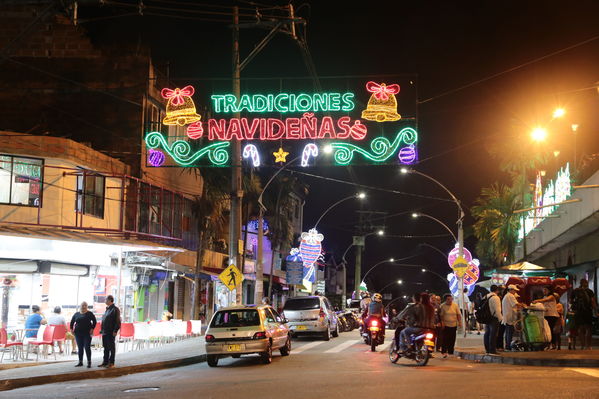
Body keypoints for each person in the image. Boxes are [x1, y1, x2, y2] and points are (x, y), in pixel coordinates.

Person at [70, 301, 97, 368]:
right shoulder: (76, 314)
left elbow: (94, 321)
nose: (84, 306)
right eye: (82, 305)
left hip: (87, 333)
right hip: (78, 333)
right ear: (80, 306)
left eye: (85, 305)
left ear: (87, 306)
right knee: (80, 348)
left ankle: (89, 362)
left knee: (87, 347)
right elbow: (72, 322)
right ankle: (80, 362)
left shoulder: (89, 313)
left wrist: (92, 328)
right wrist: (71, 329)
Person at [571, 279, 596, 350]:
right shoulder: (589, 291)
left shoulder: (575, 291)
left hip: (578, 312)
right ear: (585, 283)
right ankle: (588, 346)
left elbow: (571, 301)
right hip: (587, 311)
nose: (587, 283)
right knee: (588, 328)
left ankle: (583, 345)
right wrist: (596, 311)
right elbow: (593, 302)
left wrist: (573, 308)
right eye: (586, 282)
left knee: (580, 328)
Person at [98, 295, 121, 368]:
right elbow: (104, 320)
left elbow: (118, 321)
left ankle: (111, 362)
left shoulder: (115, 309)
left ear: (110, 300)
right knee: (105, 347)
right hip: (105, 332)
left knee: (111, 347)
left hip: (111, 332)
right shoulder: (107, 309)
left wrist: (115, 330)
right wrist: (101, 330)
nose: (105, 301)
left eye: (106, 299)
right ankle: (105, 362)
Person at [483, 285, 503, 355]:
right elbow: (497, 310)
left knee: (487, 333)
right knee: (493, 334)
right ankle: (492, 350)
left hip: (486, 317)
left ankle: (487, 349)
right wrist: (500, 319)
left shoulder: (486, 296)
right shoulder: (495, 298)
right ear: (497, 290)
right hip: (494, 318)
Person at [501, 285, 521, 351]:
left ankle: (507, 346)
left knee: (508, 332)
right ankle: (508, 347)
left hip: (507, 317)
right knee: (509, 332)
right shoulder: (510, 296)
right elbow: (516, 304)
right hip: (509, 317)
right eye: (514, 290)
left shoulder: (507, 296)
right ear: (511, 290)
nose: (515, 292)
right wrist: (524, 305)